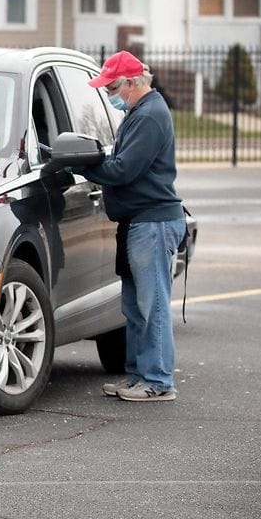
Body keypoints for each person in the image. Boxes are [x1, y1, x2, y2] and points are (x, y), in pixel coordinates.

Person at [79, 51, 186, 403]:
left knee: (151, 305)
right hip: (138, 222)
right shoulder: (140, 113)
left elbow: (123, 170)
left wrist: (82, 167)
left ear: (131, 83)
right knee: (134, 306)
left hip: (152, 223)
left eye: (112, 86)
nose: (109, 93)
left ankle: (157, 381)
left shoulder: (150, 116)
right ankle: (140, 375)